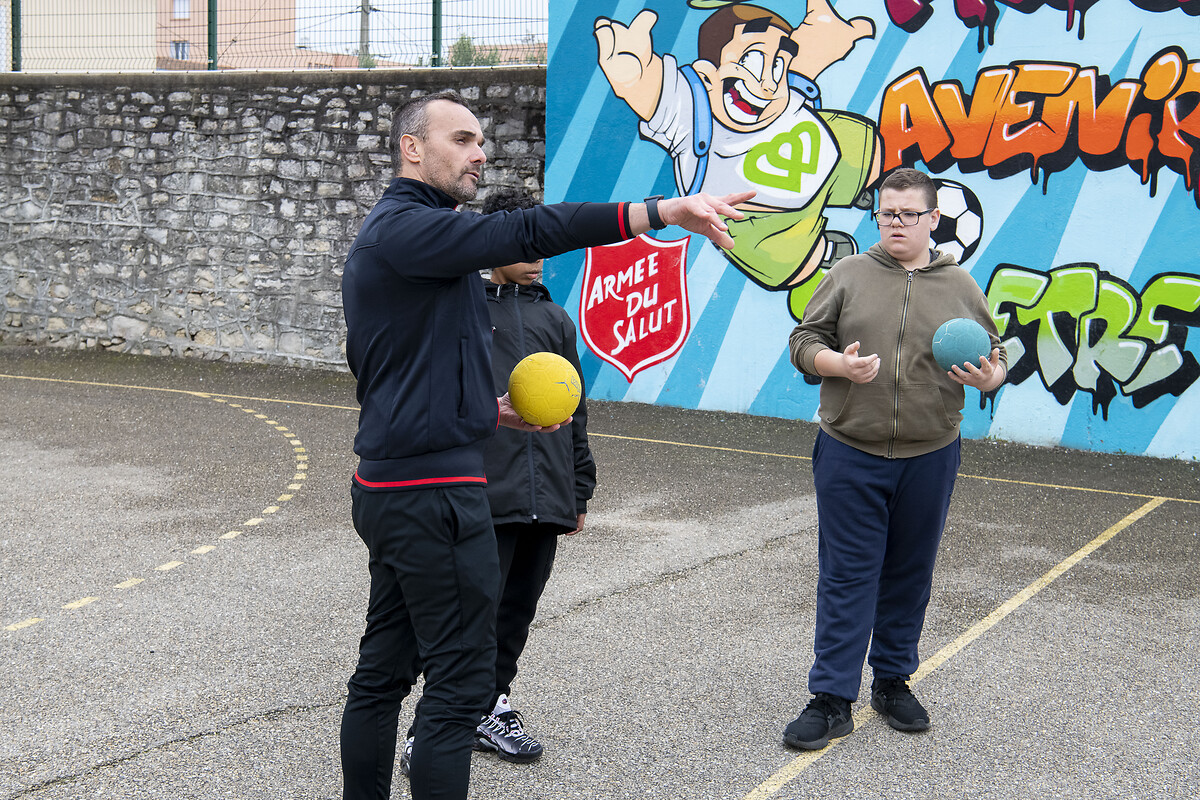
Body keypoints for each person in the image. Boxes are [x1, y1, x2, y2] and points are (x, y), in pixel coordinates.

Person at [339, 88, 753, 800]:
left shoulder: (418, 244)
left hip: (399, 484)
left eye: (480, 141)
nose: (480, 153)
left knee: (383, 672)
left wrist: (489, 411)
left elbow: (399, 369)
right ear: (413, 148)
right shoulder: (409, 230)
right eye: (463, 140)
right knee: (463, 684)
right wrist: (665, 210)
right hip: (432, 496)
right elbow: (533, 229)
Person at [784, 167, 1007, 751]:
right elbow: (804, 341)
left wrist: (991, 377)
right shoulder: (850, 273)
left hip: (930, 453)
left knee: (909, 573)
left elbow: (997, 355)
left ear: (935, 219)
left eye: (909, 215)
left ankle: (892, 682)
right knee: (847, 574)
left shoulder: (959, 284)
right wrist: (838, 366)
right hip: (849, 450)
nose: (896, 224)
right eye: (887, 214)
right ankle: (832, 697)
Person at [471, 187, 594, 764]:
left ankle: (491, 705)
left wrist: (578, 486)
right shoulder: (465, 309)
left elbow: (575, 407)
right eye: (527, 239)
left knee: (516, 611)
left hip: (545, 496)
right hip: (483, 496)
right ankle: (441, 716)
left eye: (543, 240)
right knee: (472, 611)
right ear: (496, 241)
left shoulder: (553, 316)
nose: (539, 251)